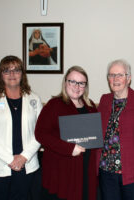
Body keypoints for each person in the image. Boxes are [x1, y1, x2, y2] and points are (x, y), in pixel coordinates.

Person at [0, 55, 43, 200]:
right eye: (7, 70)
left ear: (22, 74)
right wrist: (11, 160)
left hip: (27, 165)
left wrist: (23, 157)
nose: (12, 74)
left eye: (16, 70)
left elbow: (40, 132)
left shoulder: (34, 98)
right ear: (0, 75)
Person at [35, 66, 98, 200]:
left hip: (86, 171)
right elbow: (40, 133)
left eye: (81, 83)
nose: (77, 86)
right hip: (62, 171)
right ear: (65, 83)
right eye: (72, 81)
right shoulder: (54, 105)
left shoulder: (90, 106)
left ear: (85, 86)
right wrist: (69, 148)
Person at [96, 59, 134, 200]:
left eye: (120, 75)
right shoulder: (104, 100)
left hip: (133, 173)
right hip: (106, 171)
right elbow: (95, 132)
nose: (115, 79)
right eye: (111, 75)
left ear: (129, 78)